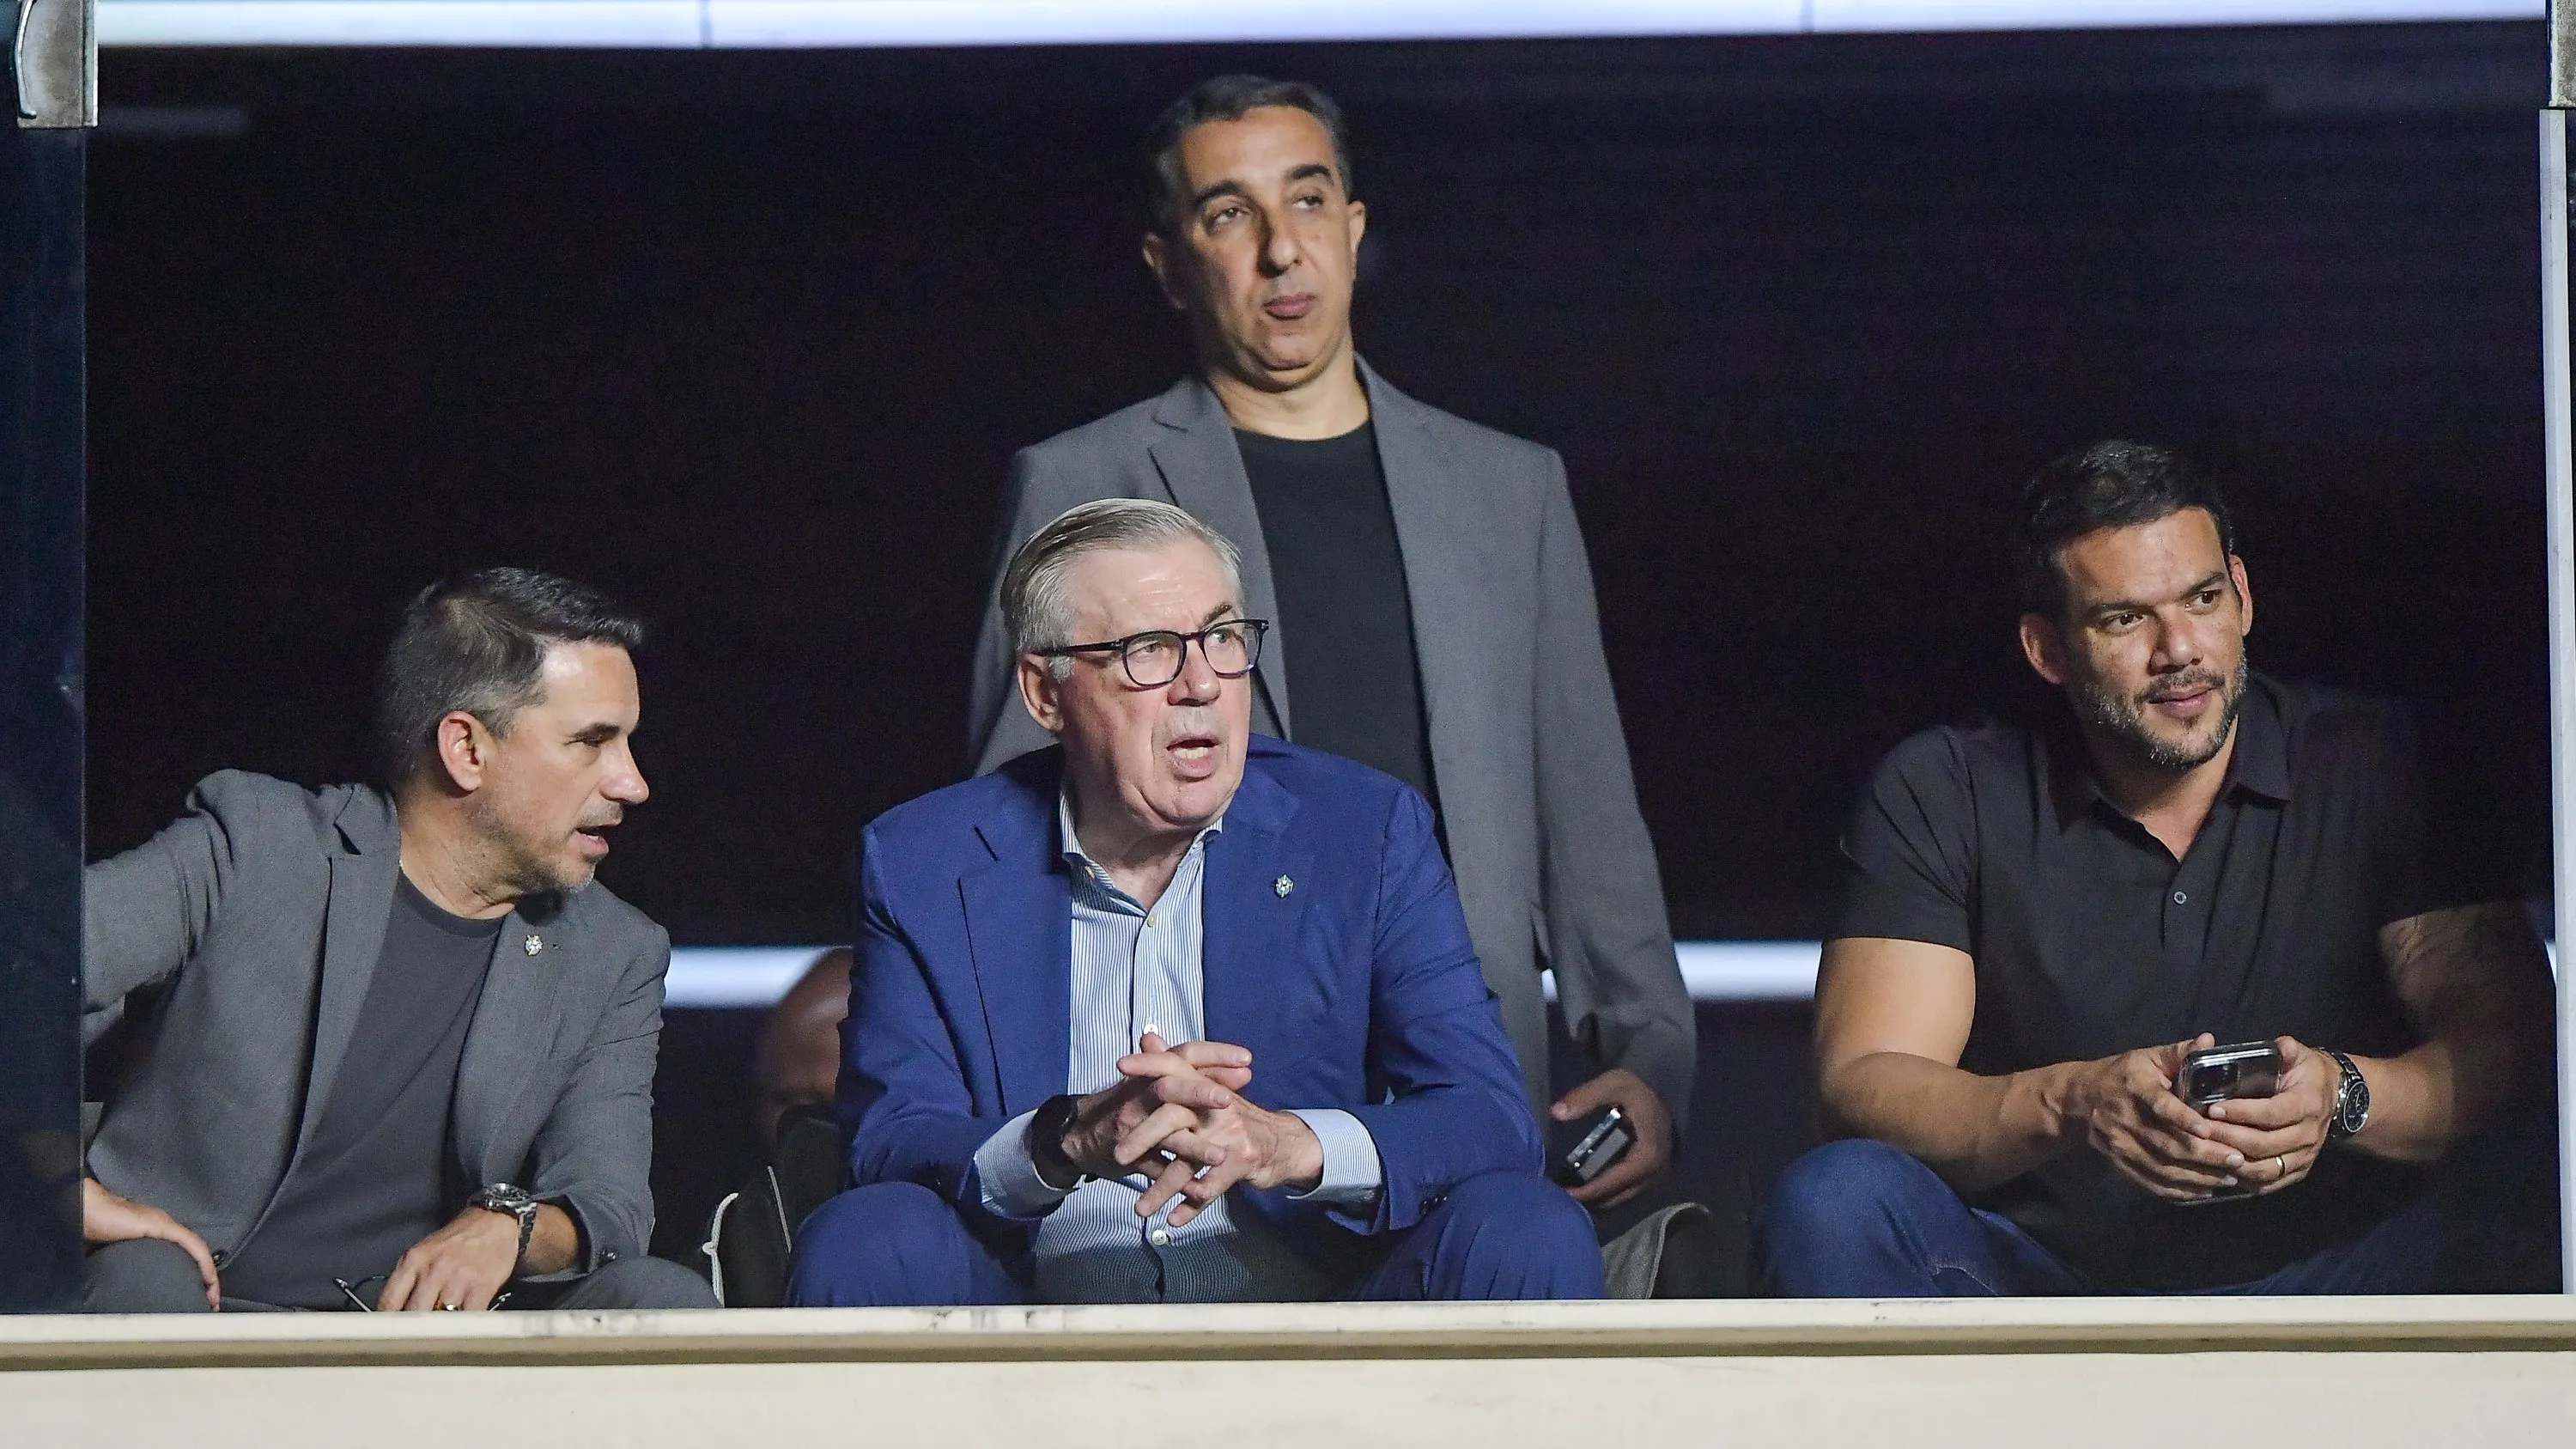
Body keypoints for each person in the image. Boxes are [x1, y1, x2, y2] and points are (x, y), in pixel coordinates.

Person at [965, 76, 1692, 1210]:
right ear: (1167, 262)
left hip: (1457, 1066)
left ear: (1354, 226)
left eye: (1307, 202)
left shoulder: (1509, 489)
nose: (1279, 250)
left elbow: (1584, 802)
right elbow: (1008, 815)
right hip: (1193, 1081)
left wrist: (1648, 1054)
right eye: (1227, 213)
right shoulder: (1078, 479)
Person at [1759, 441, 2561, 1296]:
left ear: (2243, 595)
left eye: (2203, 599)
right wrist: (2080, 1103)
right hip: (2038, 1290)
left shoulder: (2376, 762)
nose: (2180, 649)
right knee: (1838, 1199)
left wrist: (2343, 1095)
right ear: (2047, 649)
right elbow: (1866, 1081)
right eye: (2124, 618)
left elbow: (2505, 1042)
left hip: (2336, 1277)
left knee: (2534, 1176)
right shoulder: (1945, 789)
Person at [791, 500, 1603, 1306]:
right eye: (1149, 649)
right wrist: (1068, 1138)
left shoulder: (1363, 831)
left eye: (1221, 637)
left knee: (1527, 1227)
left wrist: (1286, 1142)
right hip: (1034, 1321)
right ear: (1045, 692)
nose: (1202, 683)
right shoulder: (925, 861)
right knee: (868, 1237)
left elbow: (1490, 1118)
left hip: (1316, 1322)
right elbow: (888, 1145)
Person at [80, 568, 714, 1312]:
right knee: (142, 1280)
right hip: (202, 1309)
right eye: (592, 742)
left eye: (628, 743)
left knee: (658, 1296)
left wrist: (509, 1225)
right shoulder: (257, 848)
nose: (632, 783)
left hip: (430, 1339)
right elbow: (24, 973)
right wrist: (58, 1186)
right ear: (466, 750)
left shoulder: (614, 952)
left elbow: (606, 1202)